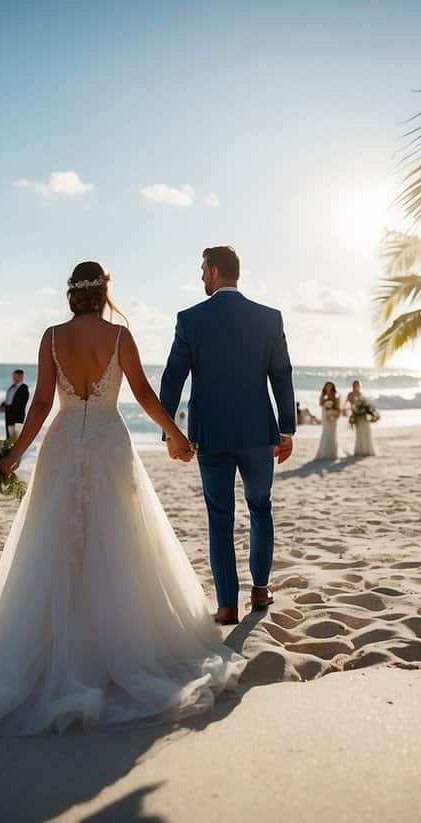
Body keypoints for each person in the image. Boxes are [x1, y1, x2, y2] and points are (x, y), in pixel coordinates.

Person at [0, 261, 243, 736]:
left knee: (54, 536)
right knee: (117, 534)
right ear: (104, 292)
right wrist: (174, 434)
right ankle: (113, 641)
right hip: (107, 442)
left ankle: (55, 639)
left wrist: (15, 454)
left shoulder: (52, 337)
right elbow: (140, 391)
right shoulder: (120, 338)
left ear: (72, 294)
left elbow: (39, 403)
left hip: (61, 443)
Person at [160, 245, 296, 626]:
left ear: (216, 271)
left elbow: (173, 377)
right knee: (260, 508)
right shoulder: (269, 318)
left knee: (220, 519)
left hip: (212, 435)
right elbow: (282, 374)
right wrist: (286, 429)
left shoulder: (190, 319)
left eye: (203, 269)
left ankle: (226, 606)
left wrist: (169, 432)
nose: (202, 276)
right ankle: (260, 589)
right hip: (257, 433)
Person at [347, 379, 378, 457]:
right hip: (356, 415)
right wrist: (352, 415)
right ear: (352, 386)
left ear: (359, 386)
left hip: (363, 416)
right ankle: (359, 451)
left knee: (366, 431)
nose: (356, 386)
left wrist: (368, 411)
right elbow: (349, 405)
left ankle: (367, 450)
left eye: (357, 385)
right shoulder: (350, 394)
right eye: (354, 385)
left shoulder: (361, 394)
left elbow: (366, 405)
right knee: (359, 433)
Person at [0, 369, 30, 440]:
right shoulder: (11, 387)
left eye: (15, 376)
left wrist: (8, 408)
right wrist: (2, 405)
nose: (13, 378)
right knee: (9, 437)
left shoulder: (24, 388)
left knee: (16, 438)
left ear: (21, 376)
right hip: (8, 415)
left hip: (17, 416)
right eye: (13, 376)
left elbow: (21, 403)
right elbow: (8, 399)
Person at [314, 381, 341, 460]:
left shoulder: (335, 396)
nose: (328, 388)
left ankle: (333, 453)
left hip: (333, 417)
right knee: (325, 432)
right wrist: (325, 402)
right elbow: (320, 404)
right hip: (325, 416)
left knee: (332, 433)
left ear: (333, 387)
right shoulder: (323, 395)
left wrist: (333, 413)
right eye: (327, 386)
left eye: (330, 386)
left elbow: (338, 408)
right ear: (325, 387)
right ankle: (324, 452)